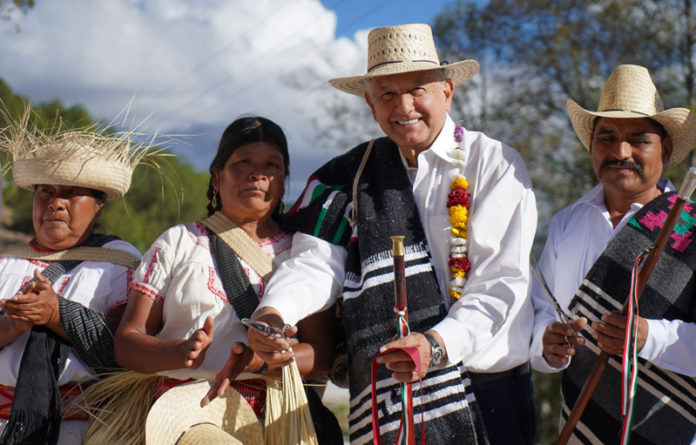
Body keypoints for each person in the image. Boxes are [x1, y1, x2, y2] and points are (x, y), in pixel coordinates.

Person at [249, 23, 538, 444]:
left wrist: (437, 345)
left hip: (487, 390)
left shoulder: (493, 164)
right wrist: (274, 313)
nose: (404, 106)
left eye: (418, 88)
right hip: (392, 393)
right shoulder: (347, 176)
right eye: (387, 94)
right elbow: (315, 262)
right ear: (370, 104)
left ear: (447, 91)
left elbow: (501, 284)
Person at [112, 116, 342, 443]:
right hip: (183, 423)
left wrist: (264, 359)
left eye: (272, 165)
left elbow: (323, 355)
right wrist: (181, 352)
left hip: (273, 425)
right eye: (243, 161)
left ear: (283, 180)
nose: (258, 173)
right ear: (217, 178)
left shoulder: (304, 256)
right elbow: (127, 342)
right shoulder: (179, 243)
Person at [531, 64, 696, 443]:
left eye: (639, 139)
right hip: (579, 426)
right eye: (606, 137)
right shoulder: (564, 224)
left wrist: (648, 338)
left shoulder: (690, 228)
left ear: (665, 149)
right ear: (591, 145)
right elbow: (539, 314)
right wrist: (547, 343)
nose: (620, 151)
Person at [0, 106, 154, 445]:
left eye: (71, 193)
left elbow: (126, 351)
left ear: (99, 203)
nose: (55, 204)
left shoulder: (119, 264)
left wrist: (58, 315)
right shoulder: (7, 263)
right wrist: (12, 325)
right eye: (46, 192)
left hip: (85, 429)